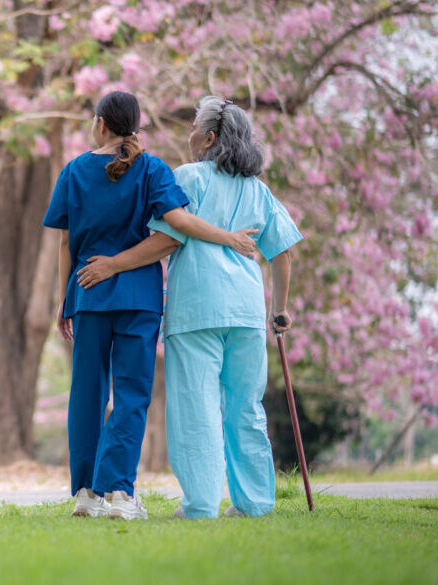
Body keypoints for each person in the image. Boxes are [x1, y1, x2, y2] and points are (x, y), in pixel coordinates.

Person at [42, 91, 258, 520]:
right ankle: (121, 494)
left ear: (101, 124)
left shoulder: (73, 171)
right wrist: (231, 238)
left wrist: (65, 299)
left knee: (86, 392)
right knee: (131, 395)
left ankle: (86, 493)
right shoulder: (153, 169)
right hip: (139, 299)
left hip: (88, 293)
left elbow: (66, 243)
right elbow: (175, 229)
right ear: (134, 126)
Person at [144, 96, 303, 518]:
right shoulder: (258, 190)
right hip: (246, 312)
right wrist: (279, 309)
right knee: (245, 408)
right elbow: (282, 253)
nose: (190, 134)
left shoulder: (189, 177)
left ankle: (200, 505)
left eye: (194, 127)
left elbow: (167, 237)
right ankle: (254, 504)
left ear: (210, 137)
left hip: (197, 308)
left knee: (195, 406)